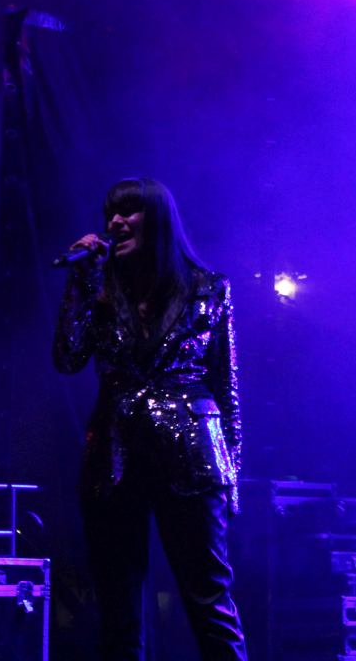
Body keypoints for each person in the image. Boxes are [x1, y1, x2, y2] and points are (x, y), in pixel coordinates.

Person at [53, 178, 247, 660]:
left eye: (128, 211)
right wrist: (80, 282)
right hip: (113, 458)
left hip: (192, 456)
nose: (115, 222)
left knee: (209, 600)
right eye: (110, 214)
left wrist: (232, 476)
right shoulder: (102, 290)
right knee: (117, 610)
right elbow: (67, 358)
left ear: (158, 218)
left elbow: (226, 387)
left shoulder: (208, 288)